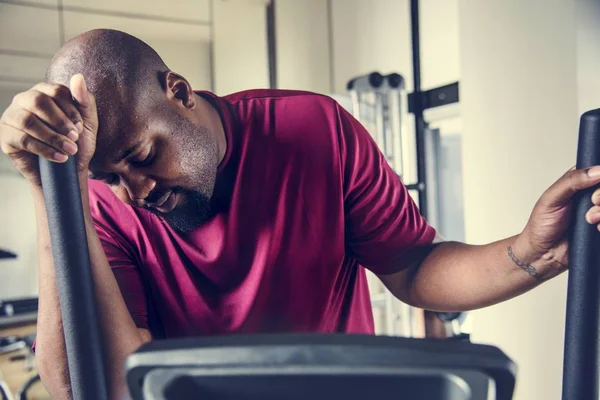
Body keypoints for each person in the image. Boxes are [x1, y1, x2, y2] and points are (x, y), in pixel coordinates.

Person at [0, 28, 598, 399]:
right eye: (109, 177)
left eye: (144, 156)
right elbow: (95, 386)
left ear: (177, 91)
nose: (135, 191)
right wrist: (52, 189)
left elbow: (413, 267)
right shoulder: (100, 204)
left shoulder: (313, 130)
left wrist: (533, 254)